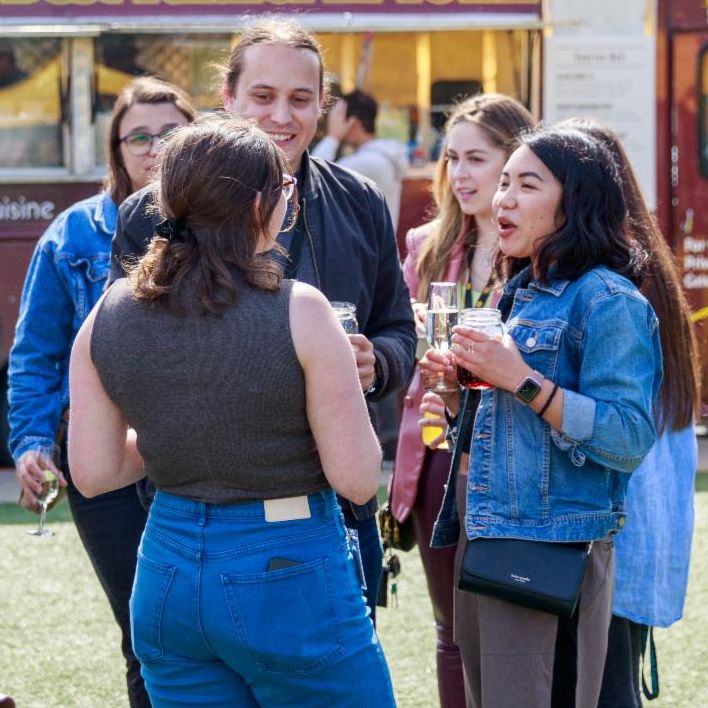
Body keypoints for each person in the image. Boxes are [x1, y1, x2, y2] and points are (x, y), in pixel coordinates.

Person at [68, 117, 396, 707]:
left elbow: (93, 473)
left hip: (167, 563)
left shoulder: (107, 313)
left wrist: (184, 433)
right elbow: (355, 476)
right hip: (286, 560)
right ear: (258, 206)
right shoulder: (301, 309)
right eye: (285, 188)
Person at [107, 18, 416, 622]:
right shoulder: (151, 211)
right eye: (263, 96)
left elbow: (398, 330)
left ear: (323, 105)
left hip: (336, 506)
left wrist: (375, 362)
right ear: (228, 98)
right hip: (199, 510)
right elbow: (129, 350)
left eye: (300, 99)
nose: (282, 116)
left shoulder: (361, 201)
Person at [444, 127, 662, 707]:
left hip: (552, 552)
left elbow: (627, 437)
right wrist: (457, 394)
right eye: (505, 182)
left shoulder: (608, 299)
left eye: (527, 185)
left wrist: (519, 378)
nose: (504, 199)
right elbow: (516, 430)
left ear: (575, 202)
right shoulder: (521, 292)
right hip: (490, 537)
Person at [7, 76, 196, 708]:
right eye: (138, 136)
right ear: (116, 149)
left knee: (207, 629)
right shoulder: (72, 234)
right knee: (144, 633)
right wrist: (32, 443)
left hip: (200, 455)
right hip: (104, 459)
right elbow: (36, 353)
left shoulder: (218, 228)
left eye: (169, 134)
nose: (154, 148)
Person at [389, 93, 535, 708]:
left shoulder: (539, 249)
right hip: (437, 453)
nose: (461, 174)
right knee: (450, 629)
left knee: (513, 626)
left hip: (516, 458)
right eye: (452, 158)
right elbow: (403, 345)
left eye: (477, 158)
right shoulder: (427, 244)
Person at [550, 120, 700, 708]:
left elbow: (608, 425)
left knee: (598, 688)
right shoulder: (651, 273)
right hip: (644, 532)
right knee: (612, 685)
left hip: (608, 531)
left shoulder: (607, 289)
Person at [311, 89, 409, 230]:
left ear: (353, 123)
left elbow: (312, 179)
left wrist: (333, 137)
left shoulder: (366, 162)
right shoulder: (382, 155)